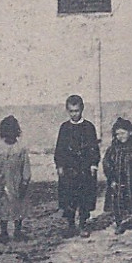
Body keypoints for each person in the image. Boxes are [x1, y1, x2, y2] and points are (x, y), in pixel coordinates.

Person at [54, 95, 101, 237]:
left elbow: (94, 148)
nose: (74, 114)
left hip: (84, 169)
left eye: (77, 111)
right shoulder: (64, 128)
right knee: (69, 198)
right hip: (69, 169)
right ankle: (70, 224)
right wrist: (59, 165)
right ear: (67, 111)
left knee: (84, 198)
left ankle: (83, 223)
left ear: (82, 109)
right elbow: (60, 148)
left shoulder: (88, 127)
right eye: (71, 111)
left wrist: (93, 164)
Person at [103, 117, 132, 234]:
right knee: (118, 201)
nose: (120, 136)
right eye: (117, 134)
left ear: (130, 132)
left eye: (123, 133)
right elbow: (107, 163)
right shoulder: (113, 149)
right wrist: (111, 178)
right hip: (118, 180)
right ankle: (120, 222)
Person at [0, 115, 32, 243]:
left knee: (19, 206)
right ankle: (4, 231)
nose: (10, 134)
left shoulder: (21, 148)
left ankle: (18, 231)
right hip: (3, 182)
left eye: (13, 131)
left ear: (17, 132)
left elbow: (25, 165)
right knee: (3, 207)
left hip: (17, 182)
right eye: (7, 131)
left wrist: (25, 181)